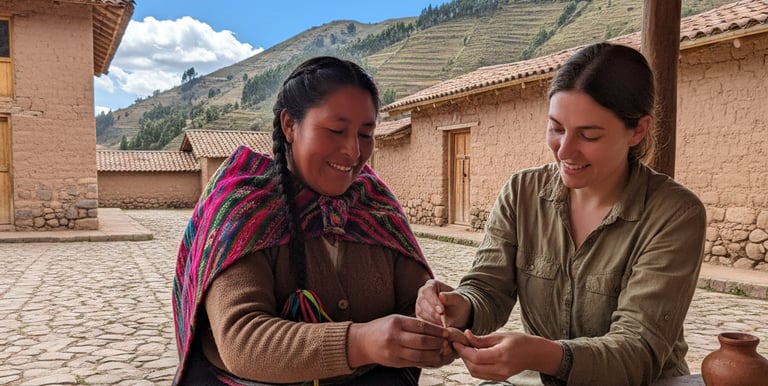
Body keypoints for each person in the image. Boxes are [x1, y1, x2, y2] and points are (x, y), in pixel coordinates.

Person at [415, 42, 707, 386]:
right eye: (556, 128)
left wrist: (540, 354)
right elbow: (488, 287)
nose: (565, 150)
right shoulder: (522, 193)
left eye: (589, 135)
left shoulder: (674, 214)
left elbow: (637, 350)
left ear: (638, 130)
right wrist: (460, 305)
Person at [172, 56, 453, 385]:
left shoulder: (377, 206)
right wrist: (361, 343)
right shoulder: (246, 207)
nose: (352, 150)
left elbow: (414, 299)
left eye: (365, 134)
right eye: (336, 130)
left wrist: (436, 311)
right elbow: (241, 339)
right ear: (290, 125)